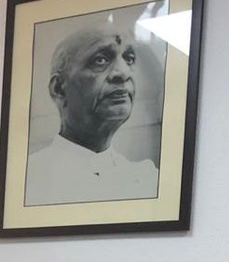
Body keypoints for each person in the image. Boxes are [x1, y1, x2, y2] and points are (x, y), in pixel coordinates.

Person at [24, 25, 159, 206]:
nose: (123, 73)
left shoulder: (147, 179)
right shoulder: (29, 178)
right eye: (100, 60)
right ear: (58, 88)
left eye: (129, 59)